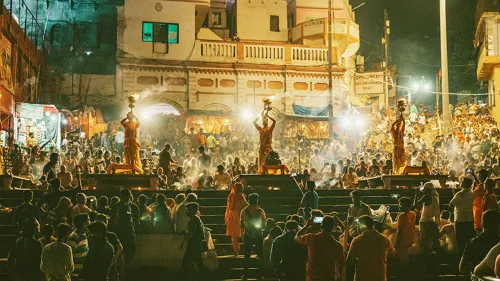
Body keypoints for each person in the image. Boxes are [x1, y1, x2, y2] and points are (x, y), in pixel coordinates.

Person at [295, 215, 345, 281]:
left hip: (312, 278)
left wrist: (307, 225)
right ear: (333, 228)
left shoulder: (311, 238)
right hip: (328, 277)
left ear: (321, 226)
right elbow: (342, 262)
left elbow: (296, 238)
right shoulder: (337, 245)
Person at [347, 215, 396, 281]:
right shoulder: (385, 239)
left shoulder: (357, 241)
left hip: (362, 277)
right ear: (373, 225)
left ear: (359, 227)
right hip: (380, 277)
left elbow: (350, 261)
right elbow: (392, 254)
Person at [460, 210, 500, 274]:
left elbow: (462, 268)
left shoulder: (472, 242)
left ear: (481, 224)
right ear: (498, 225)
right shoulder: (497, 243)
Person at [181, 202, 212, 280]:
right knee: (198, 262)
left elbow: (191, 233)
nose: (186, 211)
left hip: (193, 243)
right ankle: (207, 275)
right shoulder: (196, 218)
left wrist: (183, 242)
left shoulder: (193, 219)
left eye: (188, 210)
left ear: (193, 210)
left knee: (187, 262)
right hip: (196, 243)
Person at [240, 193, 267, 281]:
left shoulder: (244, 211)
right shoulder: (261, 211)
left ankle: (245, 275)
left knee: (247, 255)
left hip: (248, 234)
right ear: (257, 200)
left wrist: (242, 234)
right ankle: (260, 274)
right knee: (260, 255)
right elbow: (263, 223)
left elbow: (241, 224)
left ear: (248, 200)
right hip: (258, 234)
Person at [110, 188, 139, 264]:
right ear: (130, 195)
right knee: (131, 250)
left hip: (118, 232)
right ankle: (125, 265)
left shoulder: (115, 206)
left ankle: (120, 267)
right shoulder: (134, 206)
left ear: (121, 195)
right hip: (129, 232)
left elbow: (111, 221)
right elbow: (137, 221)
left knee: (119, 251)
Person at [449, 177, 475, 254]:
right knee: (468, 239)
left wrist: (454, 194)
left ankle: (461, 257)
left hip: (460, 220)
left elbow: (451, 204)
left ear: (463, 184)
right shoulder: (472, 193)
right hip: (470, 219)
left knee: (460, 240)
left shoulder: (459, 194)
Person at [225, 183, 249, 256]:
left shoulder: (230, 196)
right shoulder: (240, 196)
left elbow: (228, 208)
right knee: (243, 234)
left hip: (231, 217)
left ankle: (236, 251)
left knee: (234, 235)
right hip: (239, 217)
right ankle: (247, 250)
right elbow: (247, 206)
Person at [416, 182, 440, 254]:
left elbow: (416, 204)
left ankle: (425, 257)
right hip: (432, 221)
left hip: (424, 221)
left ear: (427, 190)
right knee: (432, 241)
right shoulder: (435, 197)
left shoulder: (426, 196)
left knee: (425, 241)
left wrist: (416, 194)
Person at [253, 109, 276, 174]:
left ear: (267, 122)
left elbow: (274, 121)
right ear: (262, 122)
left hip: (269, 148)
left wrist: (268, 116)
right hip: (262, 148)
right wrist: (260, 116)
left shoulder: (270, 129)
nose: (265, 122)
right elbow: (254, 122)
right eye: (264, 121)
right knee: (262, 163)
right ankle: (262, 173)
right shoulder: (260, 129)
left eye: (266, 121)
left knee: (270, 163)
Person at [394, 197, 416, 266]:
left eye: (400, 204)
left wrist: (396, 244)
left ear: (406, 206)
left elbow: (399, 232)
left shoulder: (401, 217)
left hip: (402, 242)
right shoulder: (413, 214)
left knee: (403, 261)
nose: (399, 206)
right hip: (410, 239)